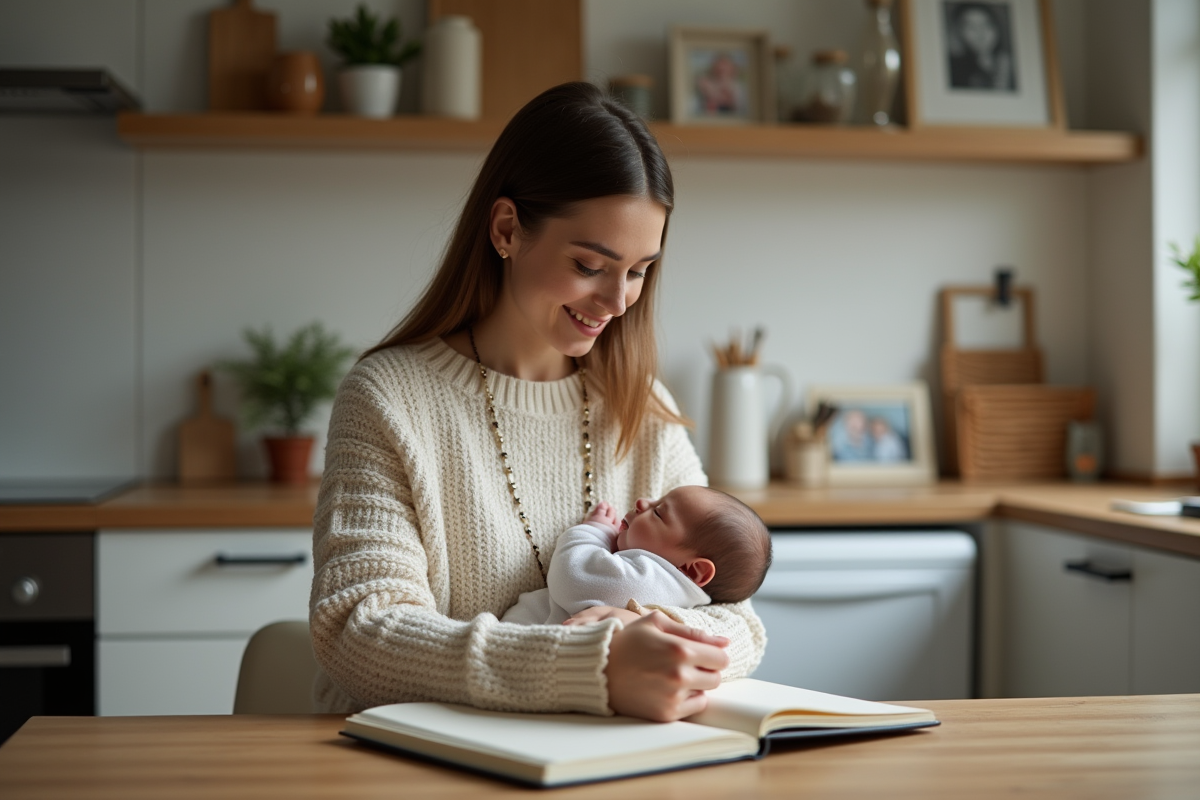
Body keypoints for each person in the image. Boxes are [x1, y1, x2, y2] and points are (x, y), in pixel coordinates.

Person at [310, 82, 766, 724]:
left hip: (598, 763)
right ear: (506, 230)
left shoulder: (641, 405)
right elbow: (360, 633)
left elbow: (736, 617)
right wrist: (593, 663)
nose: (619, 301)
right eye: (590, 264)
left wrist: (650, 632)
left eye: (639, 270)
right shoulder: (389, 398)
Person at [501, 486, 773, 625]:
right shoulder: (673, 594)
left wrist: (594, 531)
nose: (642, 501)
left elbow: (575, 574)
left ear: (691, 570)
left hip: (522, 651)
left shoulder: (646, 580)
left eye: (658, 512)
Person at [946, 2, 1015, 91]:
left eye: (986, 24)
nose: (980, 33)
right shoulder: (955, 69)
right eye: (971, 27)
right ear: (959, 32)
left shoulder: (1012, 64)